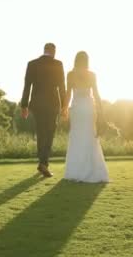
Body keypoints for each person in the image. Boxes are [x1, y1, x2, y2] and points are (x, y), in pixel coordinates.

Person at [21, 43, 67, 178]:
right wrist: (65, 106)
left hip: (37, 104)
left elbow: (27, 86)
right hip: (52, 104)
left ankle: (43, 163)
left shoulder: (32, 64)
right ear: (54, 52)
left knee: (41, 133)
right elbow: (62, 87)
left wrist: (24, 106)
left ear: (44, 50)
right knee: (49, 134)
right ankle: (43, 163)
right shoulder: (58, 64)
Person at [63, 51, 109, 183]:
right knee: (89, 137)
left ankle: (75, 171)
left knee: (77, 137)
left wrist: (64, 109)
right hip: (88, 108)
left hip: (77, 109)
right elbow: (96, 94)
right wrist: (101, 111)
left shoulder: (71, 74)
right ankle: (91, 170)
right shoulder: (92, 75)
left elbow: (68, 93)